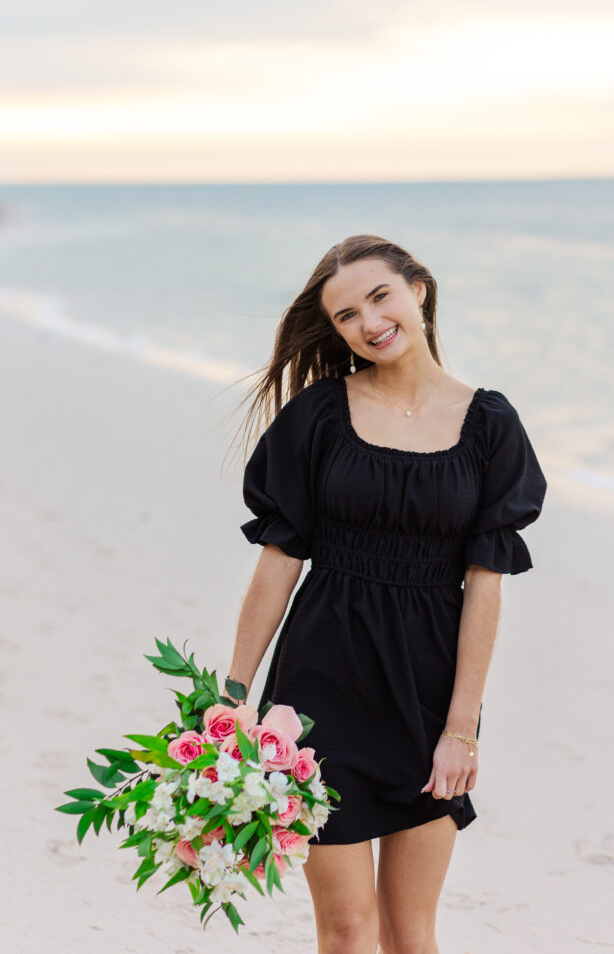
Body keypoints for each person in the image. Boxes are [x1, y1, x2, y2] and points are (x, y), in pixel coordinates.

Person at [223, 234, 547, 953]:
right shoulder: (316, 417)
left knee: (409, 933)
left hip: (428, 693)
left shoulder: (491, 425)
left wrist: (460, 727)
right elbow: (279, 561)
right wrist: (233, 692)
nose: (368, 323)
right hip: (318, 688)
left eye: (378, 297)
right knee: (344, 931)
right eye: (345, 316)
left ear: (417, 290)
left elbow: (484, 588)